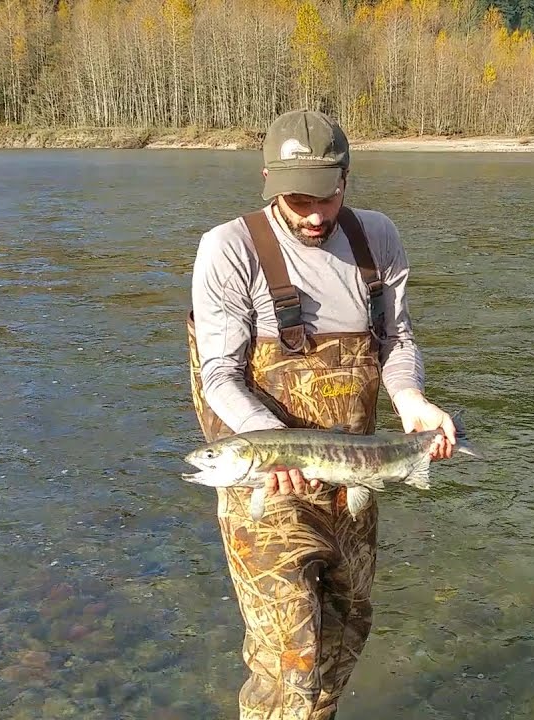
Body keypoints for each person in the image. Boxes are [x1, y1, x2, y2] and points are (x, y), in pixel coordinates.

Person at [185, 108, 457, 720]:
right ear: (268, 182)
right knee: (291, 655)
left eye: (327, 197)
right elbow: (219, 376)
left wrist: (411, 403)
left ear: (347, 181)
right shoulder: (229, 249)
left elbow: (396, 341)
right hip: (267, 484)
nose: (314, 215)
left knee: (343, 638)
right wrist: (272, 445)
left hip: (354, 477)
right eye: (297, 198)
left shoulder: (377, 238)